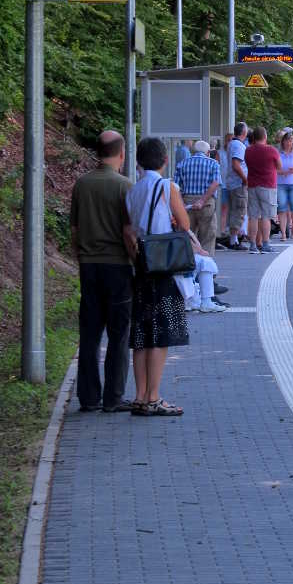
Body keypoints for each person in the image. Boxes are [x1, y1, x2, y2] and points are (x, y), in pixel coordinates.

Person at [123, 137, 189, 416]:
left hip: (141, 266)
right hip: (163, 267)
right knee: (160, 334)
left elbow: (128, 230)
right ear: (165, 160)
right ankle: (153, 396)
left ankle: (139, 396)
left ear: (137, 161)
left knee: (140, 334)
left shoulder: (132, 190)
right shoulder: (167, 186)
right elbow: (184, 224)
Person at [70, 130, 134, 413]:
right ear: (121, 154)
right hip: (118, 267)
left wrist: (82, 256)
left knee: (90, 332)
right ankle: (114, 397)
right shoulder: (124, 186)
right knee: (119, 334)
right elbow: (129, 233)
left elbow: (74, 230)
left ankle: (88, 396)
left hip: (89, 266)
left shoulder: (81, 185)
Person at [176, 139, 220, 254]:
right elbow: (215, 183)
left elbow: (176, 187)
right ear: (207, 152)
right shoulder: (213, 163)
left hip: (187, 204)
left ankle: (190, 264)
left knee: (189, 236)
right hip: (207, 203)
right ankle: (206, 266)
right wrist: (202, 200)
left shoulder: (182, 164)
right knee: (208, 236)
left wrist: (182, 204)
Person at [245, 126, 282, 254]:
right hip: (268, 185)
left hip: (252, 185)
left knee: (253, 216)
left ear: (254, 137)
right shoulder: (271, 150)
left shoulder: (248, 151)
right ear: (265, 137)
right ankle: (265, 244)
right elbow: (279, 166)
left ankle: (252, 245)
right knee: (266, 216)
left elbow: (248, 164)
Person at [276, 130, 293, 241]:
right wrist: (281, 172)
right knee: (282, 208)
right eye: (287, 141)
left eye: (291, 141)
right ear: (283, 142)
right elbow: (274, 169)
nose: (289, 143)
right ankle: (283, 233)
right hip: (281, 184)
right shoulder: (279, 154)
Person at [226, 122, 249, 250]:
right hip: (238, 183)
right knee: (239, 210)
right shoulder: (239, 146)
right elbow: (236, 164)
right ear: (244, 133)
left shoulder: (231, 144)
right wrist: (245, 179)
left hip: (232, 183)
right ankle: (234, 240)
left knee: (235, 210)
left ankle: (235, 237)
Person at [217, 131, 233, 239]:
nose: (230, 142)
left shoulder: (235, 152)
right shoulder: (220, 153)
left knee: (234, 208)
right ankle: (222, 230)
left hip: (233, 184)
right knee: (224, 208)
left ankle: (231, 230)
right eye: (228, 140)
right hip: (223, 184)